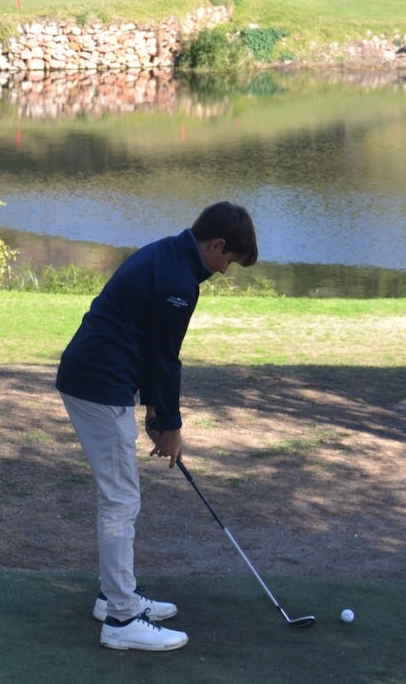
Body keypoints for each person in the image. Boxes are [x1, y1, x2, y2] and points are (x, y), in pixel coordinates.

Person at [56, 202, 259, 651]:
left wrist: (155, 414)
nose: (225, 271)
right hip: (98, 384)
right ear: (216, 245)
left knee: (119, 498)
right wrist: (170, 426)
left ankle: (115, 597)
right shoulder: (177, 282)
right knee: (121, 500)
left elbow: (150, 346)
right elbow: (165, 360)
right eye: (228, 261)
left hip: (95, 377)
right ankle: (122, 619)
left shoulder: (170, 255)